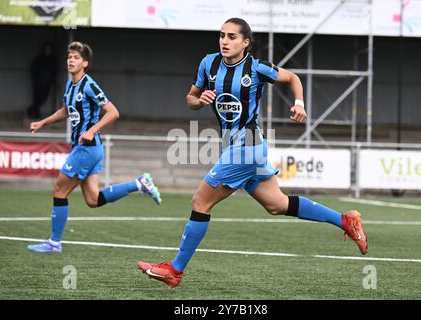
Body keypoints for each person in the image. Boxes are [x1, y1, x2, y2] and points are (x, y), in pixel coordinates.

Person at [137, 18, 367, 288]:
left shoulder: (256, 68)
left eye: (232, 37)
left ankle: (175, 271)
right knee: (277, 204)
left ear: (245, 42)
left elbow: (292, 77)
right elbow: (190, 99)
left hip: (246, 145)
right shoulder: (208, 64)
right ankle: (345, 220)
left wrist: (299, 103)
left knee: (200, 202)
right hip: (240, 145)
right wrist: (199, 101)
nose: (225, 41)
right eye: (222, 35)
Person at [28, 41, 162, 253]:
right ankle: (139, 184)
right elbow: (65, 110)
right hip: (89, 149)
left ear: (85, 63)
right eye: (69, 57)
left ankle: (54, 243)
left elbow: (113, 112)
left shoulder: (89, 85)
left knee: (59, 190)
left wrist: (92, 130)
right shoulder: (70, 84)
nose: (71, 60)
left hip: (87, 148)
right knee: (93, 199)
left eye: (76, 58)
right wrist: (43, 122)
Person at [27, 43, 57, 119]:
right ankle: (35, 114)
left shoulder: (53, 60)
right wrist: (35, 79)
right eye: (47, 50)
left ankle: (30, 110)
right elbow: (33, 69)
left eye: (49, 50)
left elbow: (55, 71)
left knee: (43, 99)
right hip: (38, 83)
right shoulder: (39, 59)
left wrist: (53, 80)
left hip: (47, 83)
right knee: (37, 99)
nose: (48, 51)